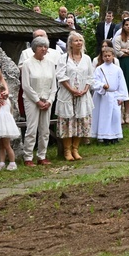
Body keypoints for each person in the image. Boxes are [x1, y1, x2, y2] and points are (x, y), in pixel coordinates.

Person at [55, 31, 94, 161]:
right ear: (70, 43)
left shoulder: (87, 58)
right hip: (67, 95)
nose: (79, 43)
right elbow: (60, 76)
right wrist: (72, 89)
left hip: (82, 95)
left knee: (80, 121)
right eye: (76, 41)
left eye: (80, 40)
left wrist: (84, 89)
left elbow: (90, 76)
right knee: (68, 122)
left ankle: (75, 149)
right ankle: (67, 150)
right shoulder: (63, 58)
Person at [21, 36, 58, 166]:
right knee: (31, 129)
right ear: (34, 48)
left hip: (47, 100)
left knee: (45, 129)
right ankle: (28, 157)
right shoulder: (27, 64)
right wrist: (37, 100)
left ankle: (42, 156)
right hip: (32, 100)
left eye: (45, 47)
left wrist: (50, 101)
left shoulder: (50, 64)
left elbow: (54, 85)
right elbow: (26, 86)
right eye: (41, 46)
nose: (43, 49)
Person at [91, 47, 128, 145]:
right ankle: (104, 136)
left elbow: (122, 83)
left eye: (109, 56)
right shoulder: (99, 69)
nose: (107, 58)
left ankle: (115, 135)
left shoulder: (117, 69)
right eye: (105, 56)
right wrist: (102, 85)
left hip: (115, 94)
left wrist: (121, 97)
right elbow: (94, 81)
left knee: (115, 116)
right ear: (102, 57)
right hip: (103, 96)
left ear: (113, 56)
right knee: (104, 116)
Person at [0, 62, 20, 171]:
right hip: (0, 125)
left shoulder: (3, 100)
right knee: (1, 146)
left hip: (3, 125)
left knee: (7, 145)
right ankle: (1, 162)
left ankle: (12, 162)